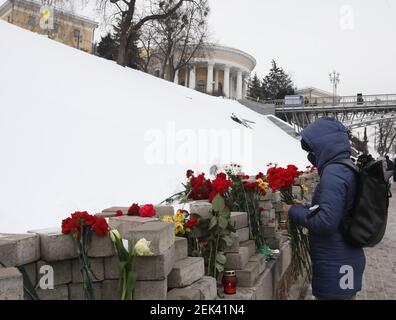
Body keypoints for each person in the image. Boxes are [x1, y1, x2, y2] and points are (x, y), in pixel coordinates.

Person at [284, 117, 365, 300]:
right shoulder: (344, 167)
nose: (311, 152)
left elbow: (326, 222)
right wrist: (307, 207)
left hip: (336, 264)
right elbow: (339, 209)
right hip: (343, 258)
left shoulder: (334, 174)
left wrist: (292, 211)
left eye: (312, 147)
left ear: (324, 144)